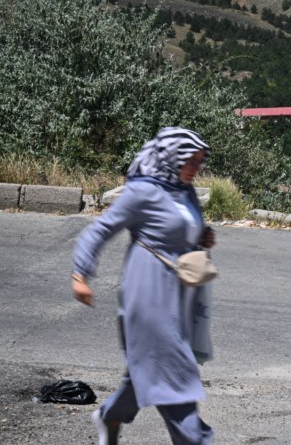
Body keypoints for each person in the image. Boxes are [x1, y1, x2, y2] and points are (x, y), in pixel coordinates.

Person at [72, 127, 215, 445]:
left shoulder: (185, 190)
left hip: (181, 293)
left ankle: (111, 415)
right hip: (148, 293)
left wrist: (201, 236)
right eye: (190, 161)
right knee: (171, 367)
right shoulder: (143, 192)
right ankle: (194, 439)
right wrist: (80, 275)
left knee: (148, 364)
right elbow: (100, 230)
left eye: (200, 162)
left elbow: (182, 228)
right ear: (171, 158)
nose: (195, 168)